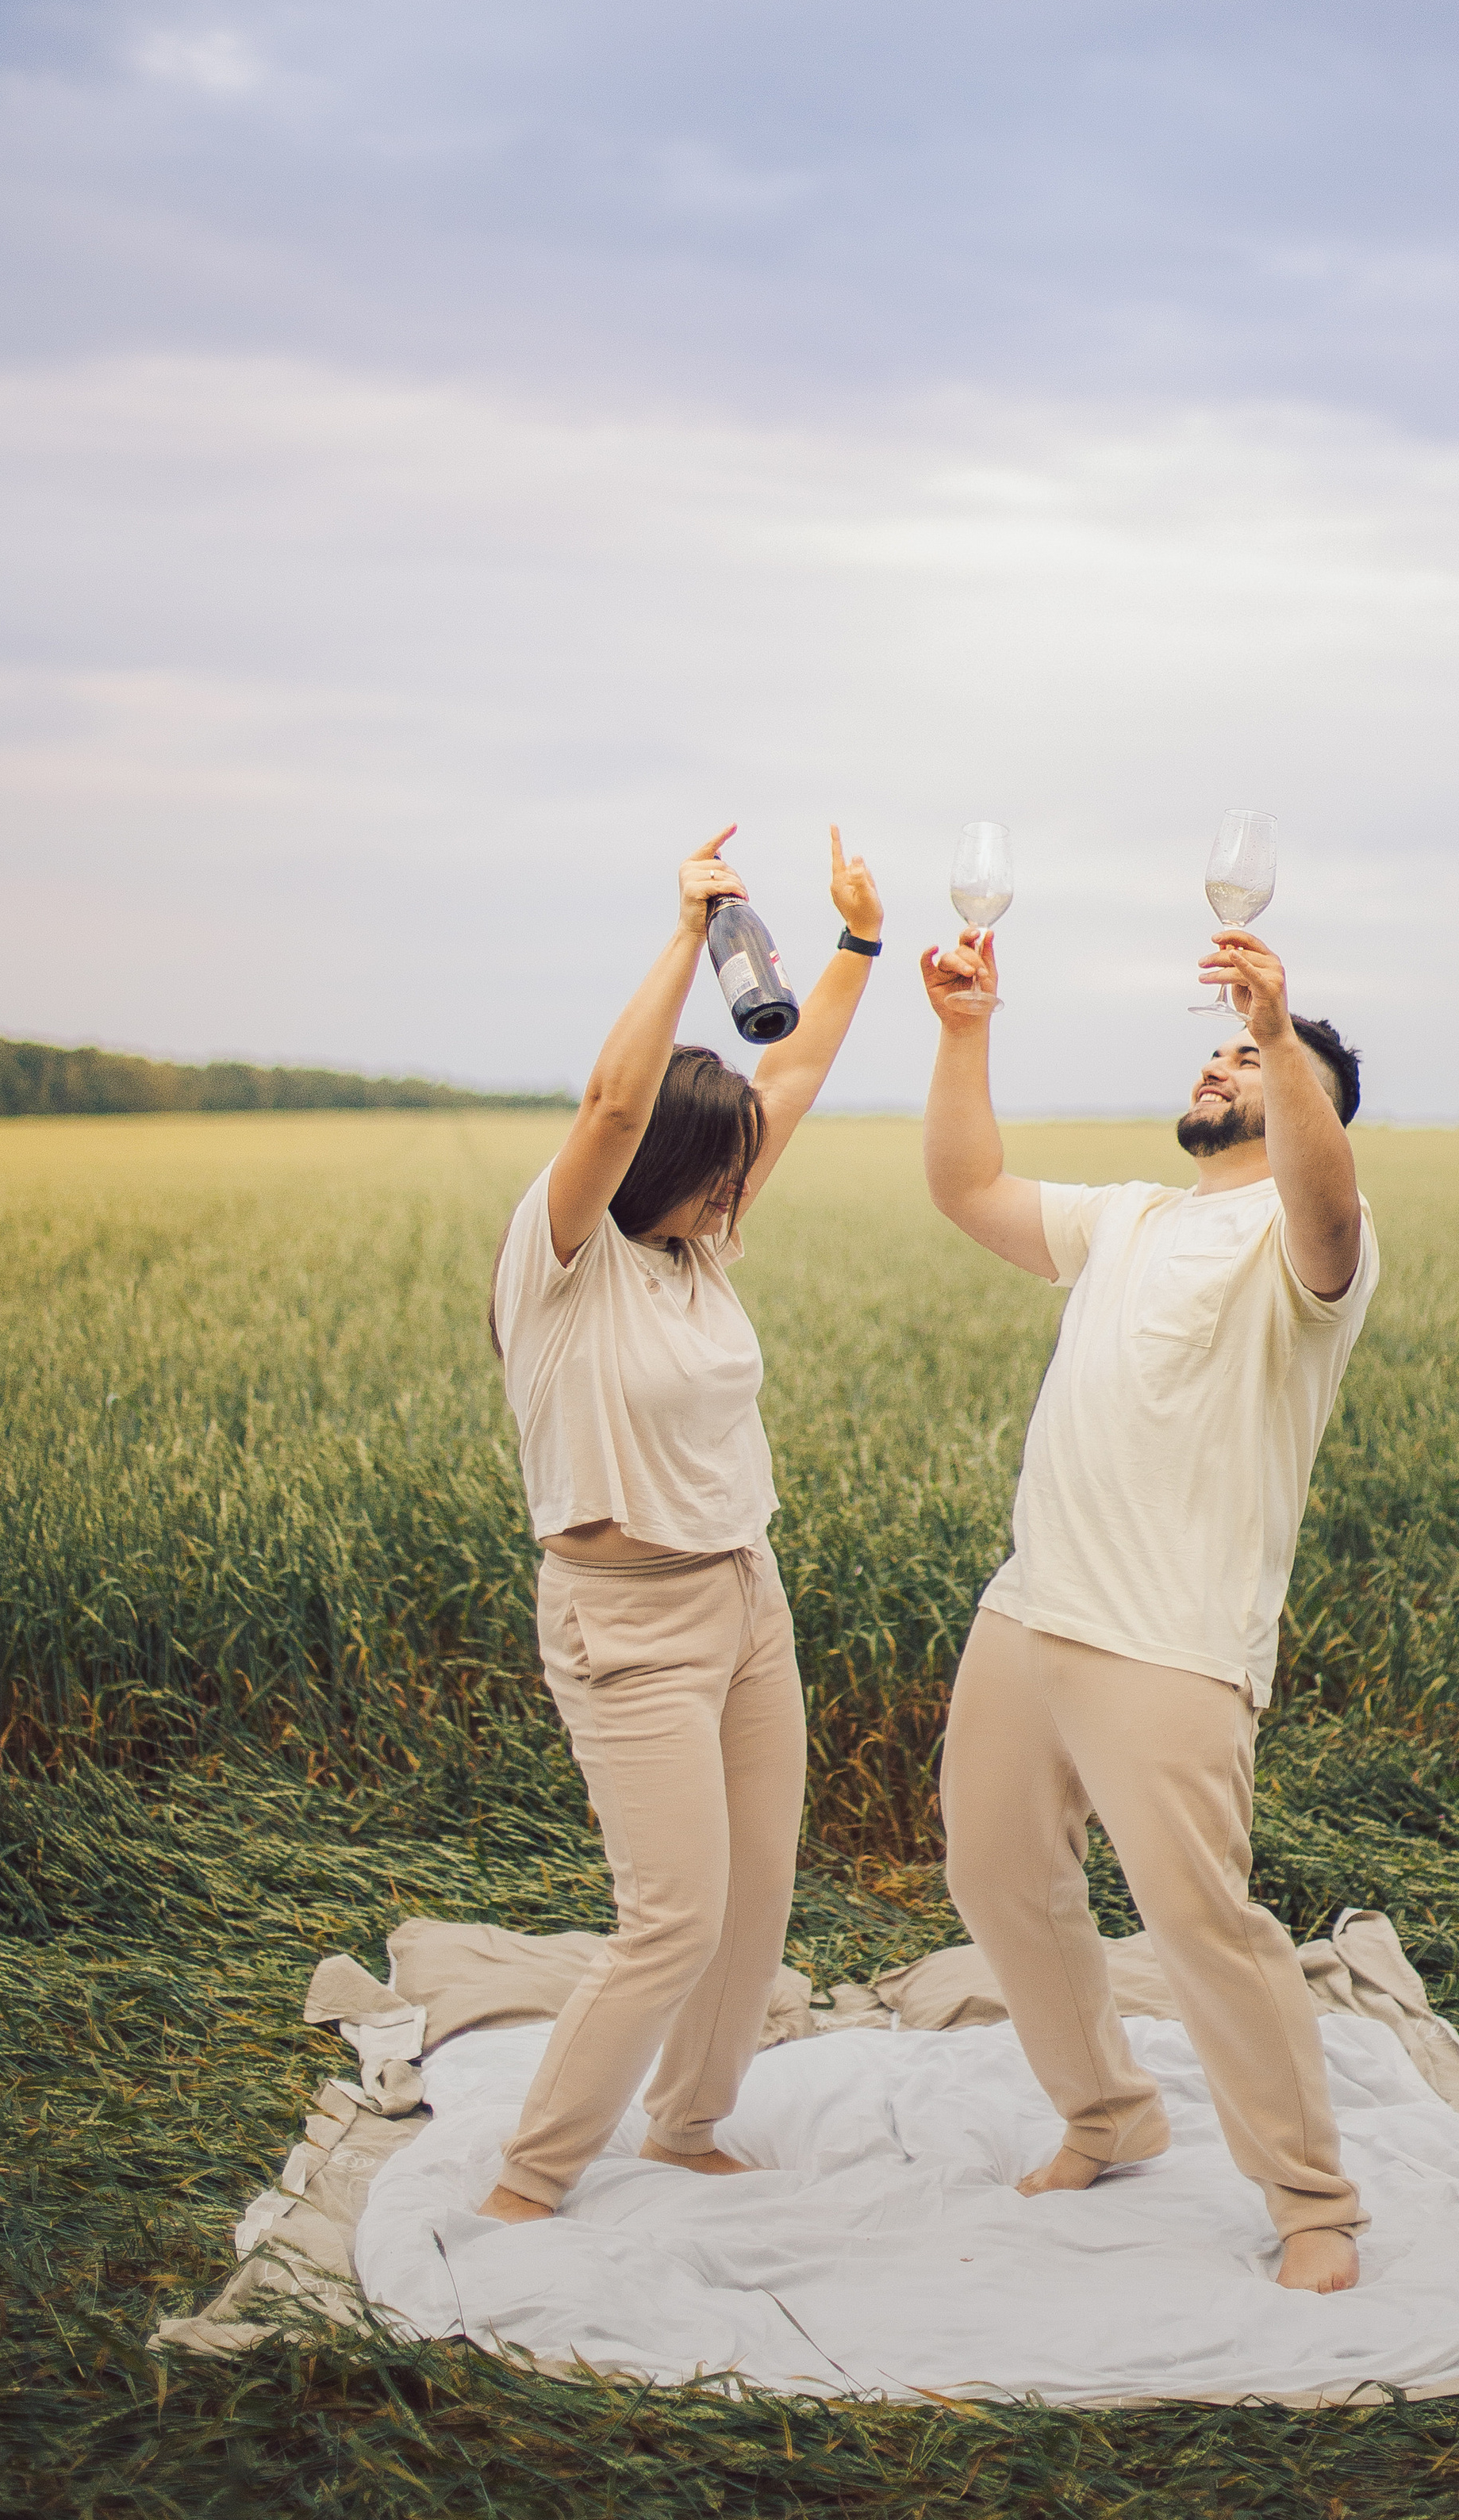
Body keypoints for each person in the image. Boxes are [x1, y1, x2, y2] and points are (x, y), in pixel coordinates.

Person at [920, 915, 1379, 2296]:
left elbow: (1332, 1209)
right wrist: (963, 1032)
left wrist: (1282, 1036)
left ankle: (1313, 2203)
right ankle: (1108, 2115)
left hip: (1172, 1640)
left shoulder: (1308, 1247)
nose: (1221, 1065)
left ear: (1307, 1103)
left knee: (1200, 1923)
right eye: (1218, 1053)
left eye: (1253, 1061)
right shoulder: (1126, 1216)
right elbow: (967, 1187)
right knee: (995, 1870)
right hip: (1032, 1606)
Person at [478, 822, 885, 2224]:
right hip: (627, 1623)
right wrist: (681, 934)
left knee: (755, 1894)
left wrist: (859, 941)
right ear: (660, 1162)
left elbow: (797, 1073)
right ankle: (532, 2178)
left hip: (746, 1599)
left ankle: (688, 2123)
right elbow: (607, 1106)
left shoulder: (695, 1239)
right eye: (719, 1170)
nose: (738, 1193)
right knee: (672, 1917)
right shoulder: (564, 1259)